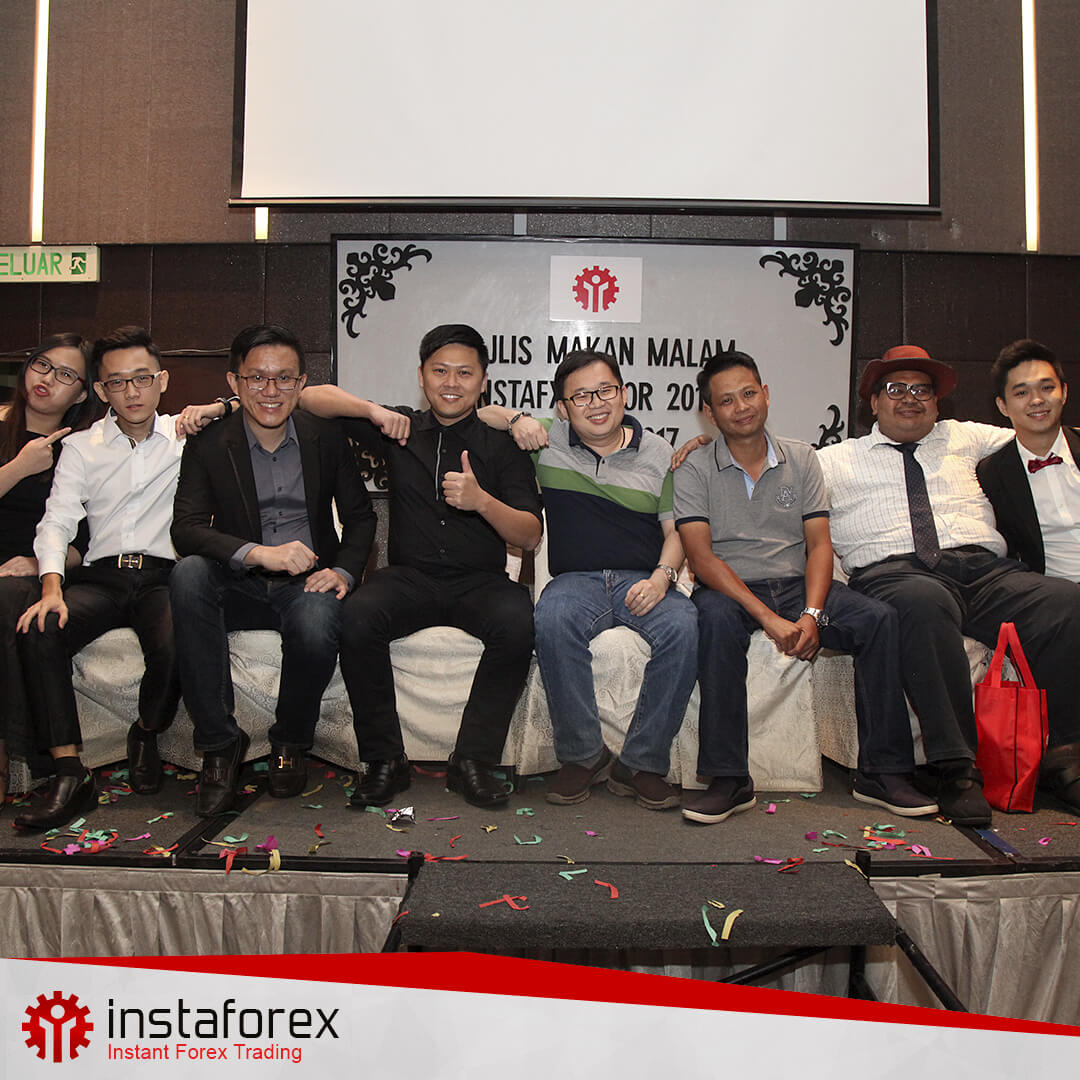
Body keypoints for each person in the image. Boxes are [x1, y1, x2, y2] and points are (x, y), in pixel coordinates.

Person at [817, 344, 1080, 825]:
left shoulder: (966, 436)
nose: (910, 398)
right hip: (897, 574)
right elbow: (768, 466)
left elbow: (1041, 431)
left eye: (922, 390)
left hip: (984, 571)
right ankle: (956, 770)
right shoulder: (833, 460)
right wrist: (704, 448)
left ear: (937, 403)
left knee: (1065, 603)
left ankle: (1065, 757)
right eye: (895, 389)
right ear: (872, 402)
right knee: (923, 603)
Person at [673, 351, 934, 824]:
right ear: (709, 413)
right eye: (726, 401)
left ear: (766, 394)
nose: (741, 407)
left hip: (796, 585)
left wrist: (811, 614)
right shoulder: (694, 468)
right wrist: (770, 620)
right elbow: (702, 559)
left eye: (748, 394)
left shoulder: (801, 458)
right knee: (712, 620)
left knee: (878, 619)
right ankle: (729, 779)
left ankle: (882, 772)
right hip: (730, 588)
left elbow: (819, 545)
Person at [301, 323, 543, 808]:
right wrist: (372, 410)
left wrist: (482, 501)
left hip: (481, 582)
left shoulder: (501, 444)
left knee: (518, 623)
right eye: (439, 371)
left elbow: (529, 535)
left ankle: (472, 761)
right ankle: (384, 760)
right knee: (358, 616)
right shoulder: (400, 428)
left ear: (484, 381)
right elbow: (309, 399)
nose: (451, 383)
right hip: (410, 578)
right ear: (421, 376)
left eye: (464, 373)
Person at [14, 326, 229, 829]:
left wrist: (219, 406)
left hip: (163, 577)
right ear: (101, 390)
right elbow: (57, 521)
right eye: (117, 382)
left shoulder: (186, 436)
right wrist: (51, 588)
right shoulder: (81, 447)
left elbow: (259, 401)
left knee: (177, 638)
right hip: (100, 579)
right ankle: (70, 772)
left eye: (142, 378)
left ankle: (147, 731)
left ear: (162, 381)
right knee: (41, 628)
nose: (132, 392)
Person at [170, 324, 376, 816]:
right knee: (188, 574)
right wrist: (258, 553)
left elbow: (361, 518)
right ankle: (220, 746)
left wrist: (344, 572)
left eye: (284, 378)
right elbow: (187, 528)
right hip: (237, 576)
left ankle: (290, 741)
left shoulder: (325, 437)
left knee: (317, 618)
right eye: (257, 378)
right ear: (235, 382)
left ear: (301, 383)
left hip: (305, 581)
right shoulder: (210, 442)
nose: (271, 390)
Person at [477, 350, 697, 809]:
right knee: (552, 618)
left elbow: (675, 530)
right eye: (580, 396)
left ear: (624, 393)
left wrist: (662, 579)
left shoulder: (659, 452)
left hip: (643, 577)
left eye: (605, 390)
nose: (596, 403)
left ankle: (641, 763)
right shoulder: (548, 441)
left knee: (684, 626)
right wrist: (517, 419)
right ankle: (583, 755)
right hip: (577, 581)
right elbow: (478, 414)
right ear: (563, 408)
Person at [0, 334, 96, 806]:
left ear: (80, 395)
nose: (47, 379)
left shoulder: (83, 449)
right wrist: (19, 467)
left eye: (65, 374)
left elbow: (88, 541)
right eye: (42, 364)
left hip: (33, 571)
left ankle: (12, 758)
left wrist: (42, 563)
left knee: (10, 604)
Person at [977, 339, 1080, 581]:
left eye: (1047, 388)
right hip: (1055, 593)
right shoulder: (992, 476)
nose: (1036, 400)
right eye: (1022, 392)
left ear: (1064, 393)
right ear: (1003, 405)